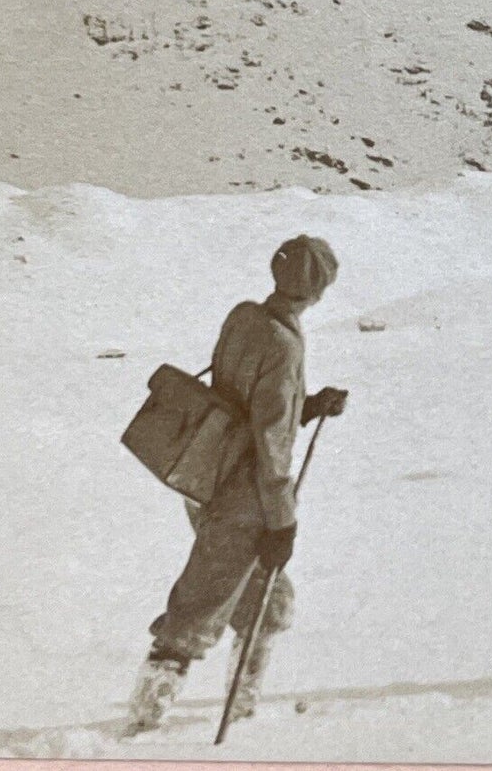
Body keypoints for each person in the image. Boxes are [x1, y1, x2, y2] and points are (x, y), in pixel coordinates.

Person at [124, 234, 349, 735]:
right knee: (199, 609)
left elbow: (239, 399)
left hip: (207, 476)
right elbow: (269, 444)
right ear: (318, 289)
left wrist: (307, 407)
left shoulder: (244, 315)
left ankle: (243, 712)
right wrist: (282, 521)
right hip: (245, 497)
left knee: (269, 603)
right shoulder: (285, 343)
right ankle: (142, 725)